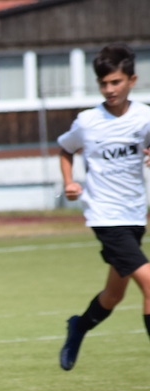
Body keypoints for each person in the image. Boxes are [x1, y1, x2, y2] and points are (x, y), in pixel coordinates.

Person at [58, 43, 150, 371]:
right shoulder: (88, 122)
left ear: (132, 81)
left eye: (115, 82)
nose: (109, 90)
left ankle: (79, 326)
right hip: (104, 215)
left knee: (113, 295)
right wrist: (69, 182)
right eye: (103, 83)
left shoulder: (145, 116)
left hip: (135, 215)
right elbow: (65, 148)